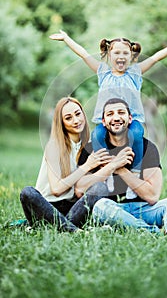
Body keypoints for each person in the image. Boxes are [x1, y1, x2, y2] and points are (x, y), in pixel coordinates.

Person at [49, 31, 167, 175]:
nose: (121, 57)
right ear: (109, 55)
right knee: (97, 136)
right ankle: (105, 169)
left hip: (132, 121)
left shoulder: (135, 72)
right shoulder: (103, 72)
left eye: (125, 53)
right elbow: (84, 54)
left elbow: (155, 58)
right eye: (116, 53)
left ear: (131, 56)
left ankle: (135, 171)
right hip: (107, 122)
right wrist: (66, 39)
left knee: (137, 133)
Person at [76, 98, 167, 235]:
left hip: (143, 209)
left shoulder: (147, 148)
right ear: (103, 122)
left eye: (121, 112)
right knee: (100, 207)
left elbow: (152, 196)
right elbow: (79, 190)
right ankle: (154, 233)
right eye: (110, 114)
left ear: (129, 119)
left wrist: (121, 169)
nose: (116, 117)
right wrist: (112, 165)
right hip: (111, 210)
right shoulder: (92, 149)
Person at [20, 97, 112, 233]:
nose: (76, 120)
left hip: (72, 209)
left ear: (83, 114)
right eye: (68, 118)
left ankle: (66, 227)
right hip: (46, 207)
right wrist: (86, 166)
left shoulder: (89, 145)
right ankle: (74, 230)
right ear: (61, 123)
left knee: (100, 188)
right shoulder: (54, 146)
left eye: (78, 114)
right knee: (28, 192)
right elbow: (57, 189)